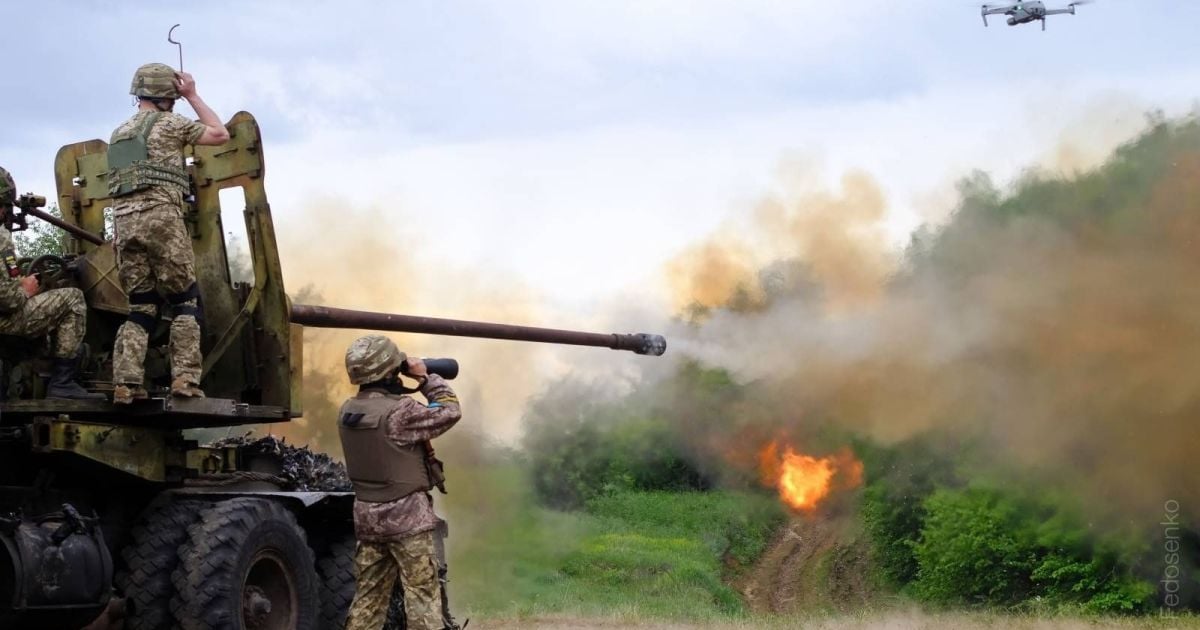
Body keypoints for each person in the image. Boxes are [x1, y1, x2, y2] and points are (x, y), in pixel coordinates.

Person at [107, 62, 229, 404]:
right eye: (173, 97)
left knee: (141, 306)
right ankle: (185, 380)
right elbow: (220, 134)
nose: (175, 102)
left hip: (124, 225)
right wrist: (192, 94)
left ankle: (126, 384)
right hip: (161, 220)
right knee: (185, 301)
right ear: (165, 96)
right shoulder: (171, 123)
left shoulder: (119, 133)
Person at [339, 335, 463, 630]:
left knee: (368, 602)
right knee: (421, 598)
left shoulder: (347, 410)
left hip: (369, 521)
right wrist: (425, 378)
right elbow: (449, 411)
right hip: (407, 522)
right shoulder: (400, 412)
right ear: (389, 370)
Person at [0, 167, 104, 400]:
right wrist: (25, 290)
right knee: (72, 299)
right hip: (5, 322)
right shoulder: (1, 239)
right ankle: (63, 382)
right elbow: (7, 300)